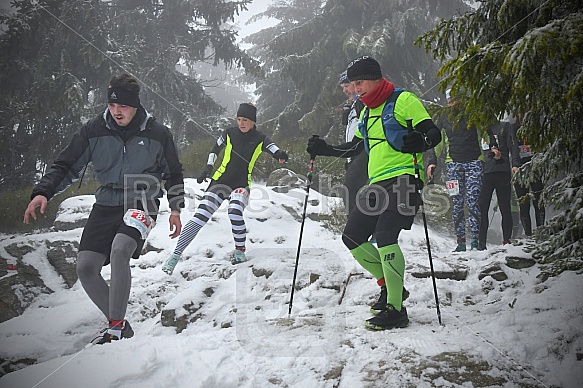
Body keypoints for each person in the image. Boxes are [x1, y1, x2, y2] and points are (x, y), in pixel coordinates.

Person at [23, 73, 185, 344]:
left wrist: (176, 208)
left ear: (135, 105)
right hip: (106, 202)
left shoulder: (157, 132)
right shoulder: (94, 129)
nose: (116, 111)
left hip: (142, 201)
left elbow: (174, 172)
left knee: (120, 249)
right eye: (112, 105)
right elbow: (66, 165)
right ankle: (118, 323)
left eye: (122, 106)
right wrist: (43, 192)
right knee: (86, 267)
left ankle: (116, 329)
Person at [307, 56, 441, 330]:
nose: (356, 89)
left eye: (360, 82)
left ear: (376, 78)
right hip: (378, 183)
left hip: (406, 178)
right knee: (352, 236)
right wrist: (325, 149)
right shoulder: (367, 113)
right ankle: (391, 288)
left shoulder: (403, 100)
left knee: (384, 235)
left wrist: (423, 140)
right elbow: (356, 148)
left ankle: (395, 309)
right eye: (353, 84)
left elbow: (433, 133)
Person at [162, 103, 289, 274]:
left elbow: (274, 149)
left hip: (241, 184)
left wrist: (280, 155)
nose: (241, 123)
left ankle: (239, 251)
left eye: (245, 120)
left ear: (253, 121)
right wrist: (208, 168)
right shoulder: (228, 133)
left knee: (235, 212)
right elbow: (215, 150)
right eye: (238, 119)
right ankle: (174, 257)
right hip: (220, 182)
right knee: (199, 217)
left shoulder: (260, 138)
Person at [425, 89, 484, 252]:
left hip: (474, 162)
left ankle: (475, 241)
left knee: (473, 202)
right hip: (453, 165)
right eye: (450, 100)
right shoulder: (444, 116)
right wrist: (432, 162)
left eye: (456, 99)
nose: (453, 103)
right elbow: (438, 142)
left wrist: (491, 150)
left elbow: (484, 133)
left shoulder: (473, 114)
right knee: (457, 204)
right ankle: (461, 242)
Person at [477, 122, 514, 250]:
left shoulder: (504, 126)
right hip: (485, 173)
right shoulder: (479, 127)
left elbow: (513, 145)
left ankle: (507, 240)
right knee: (482, 207)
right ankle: (481, 243)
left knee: (505, 206)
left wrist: (515, 163)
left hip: (502, 171)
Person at [509, 115, 545, 236]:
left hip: (535, 167)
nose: (523, 116)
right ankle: (528, 234)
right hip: (518, 169)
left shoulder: (535, 127)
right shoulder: (512, 128)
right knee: (523, 204)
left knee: (538, 201)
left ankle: (541, 230)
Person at [339, 71, 367, 214]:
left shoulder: (362, 102)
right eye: (342, 87)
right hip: (354, 154)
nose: (345, 90)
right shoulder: (353, 104)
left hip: (363, 152)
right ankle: (358, 230)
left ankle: (358, 230)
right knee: (351, 193)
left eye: (347, 86)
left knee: (350, 191)